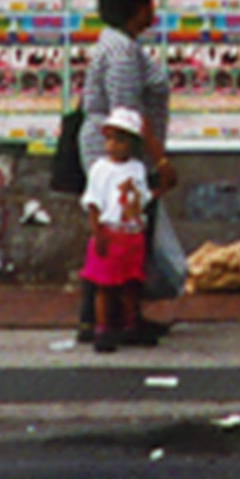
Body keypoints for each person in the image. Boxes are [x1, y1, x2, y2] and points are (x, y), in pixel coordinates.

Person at [82, 0, 183, 332]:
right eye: (149, 1)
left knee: (122, 231)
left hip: (122, 152)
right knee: (120, 233)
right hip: (116, 154)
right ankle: (112, 320)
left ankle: (108, 318)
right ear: (137, 7)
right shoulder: (122, 51)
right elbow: (127, 115)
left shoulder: (123, 45)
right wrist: (160, 160)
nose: (153, 9)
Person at [79, 106, 154, 353]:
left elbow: (142, 198)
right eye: (109, 138)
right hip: (109, 232)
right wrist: (96, 232)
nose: (113, 145)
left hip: (131, 233)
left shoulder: (137, 169)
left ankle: (131, 325)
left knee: (131, 284)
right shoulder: (101, 169)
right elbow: (93, 202)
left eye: (120, 140)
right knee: (104, 286)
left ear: (131, 144)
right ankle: (103, 329)